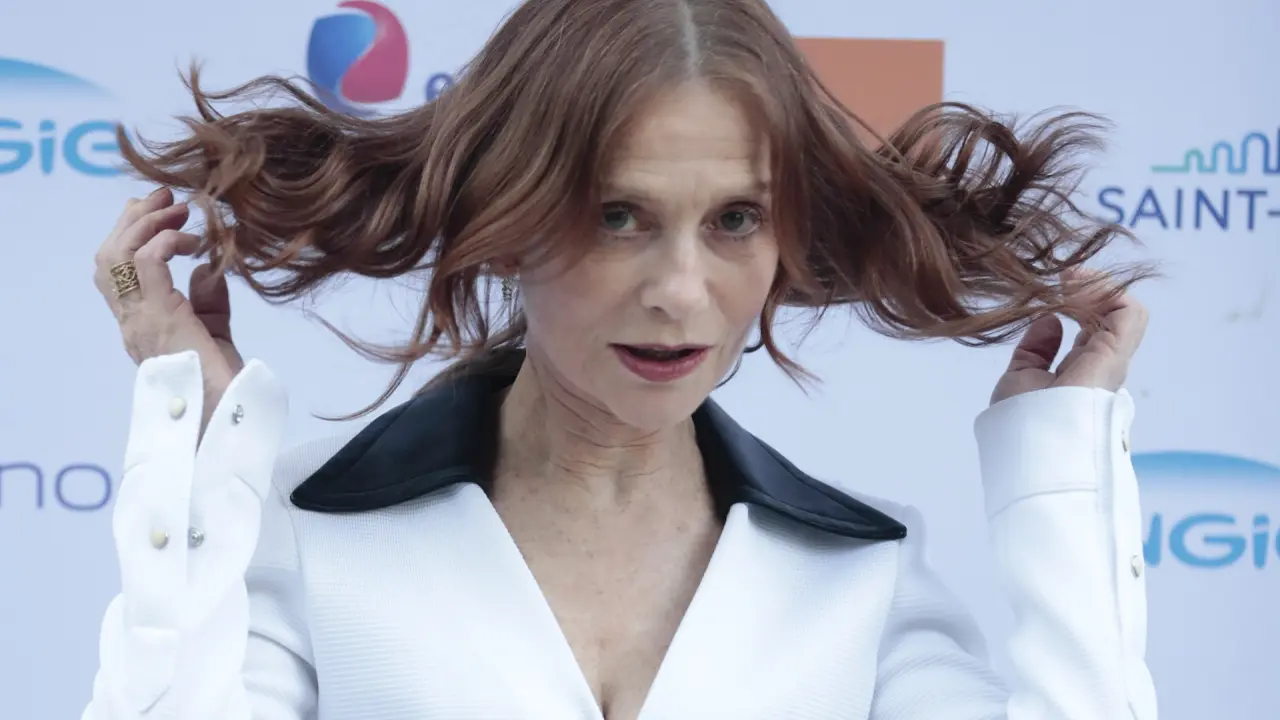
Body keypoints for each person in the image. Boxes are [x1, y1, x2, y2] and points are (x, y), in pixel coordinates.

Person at [82, 0, 1158, 718]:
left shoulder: (857, 575)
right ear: (509, 216)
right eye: (617, 216)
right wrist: (192, 421)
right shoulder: (305, 532)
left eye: (735, 220)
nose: (680, 292)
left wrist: (1059, 459)